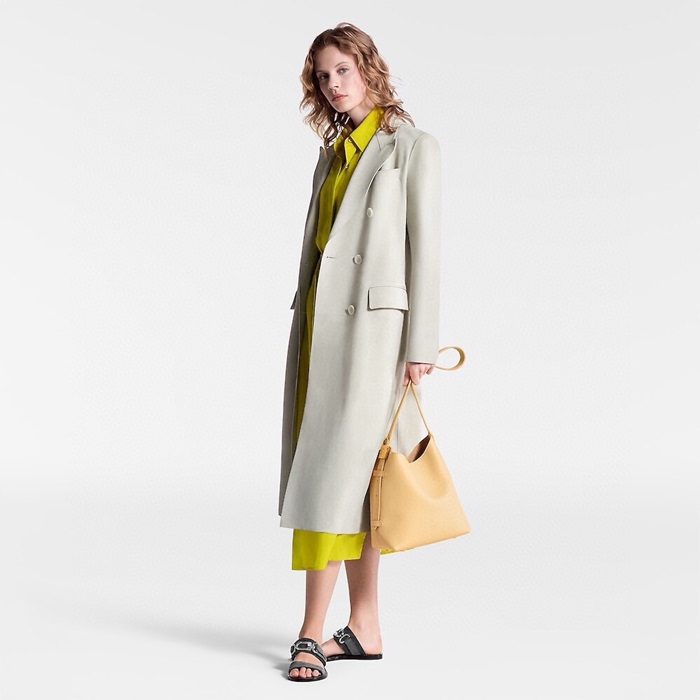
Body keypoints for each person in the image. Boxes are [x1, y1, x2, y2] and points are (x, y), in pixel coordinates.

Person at [278, 22, 442, 682]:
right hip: (320, 333)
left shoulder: (411, 147)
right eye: (322, 76)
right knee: (351, 481)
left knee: (336, 477)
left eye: (342, 70)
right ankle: (365, 628)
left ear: (369, 67)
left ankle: (310, 632)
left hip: (376, 342)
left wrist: (420, 345)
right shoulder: (332, 153)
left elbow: (426, 250)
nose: (332, 84)